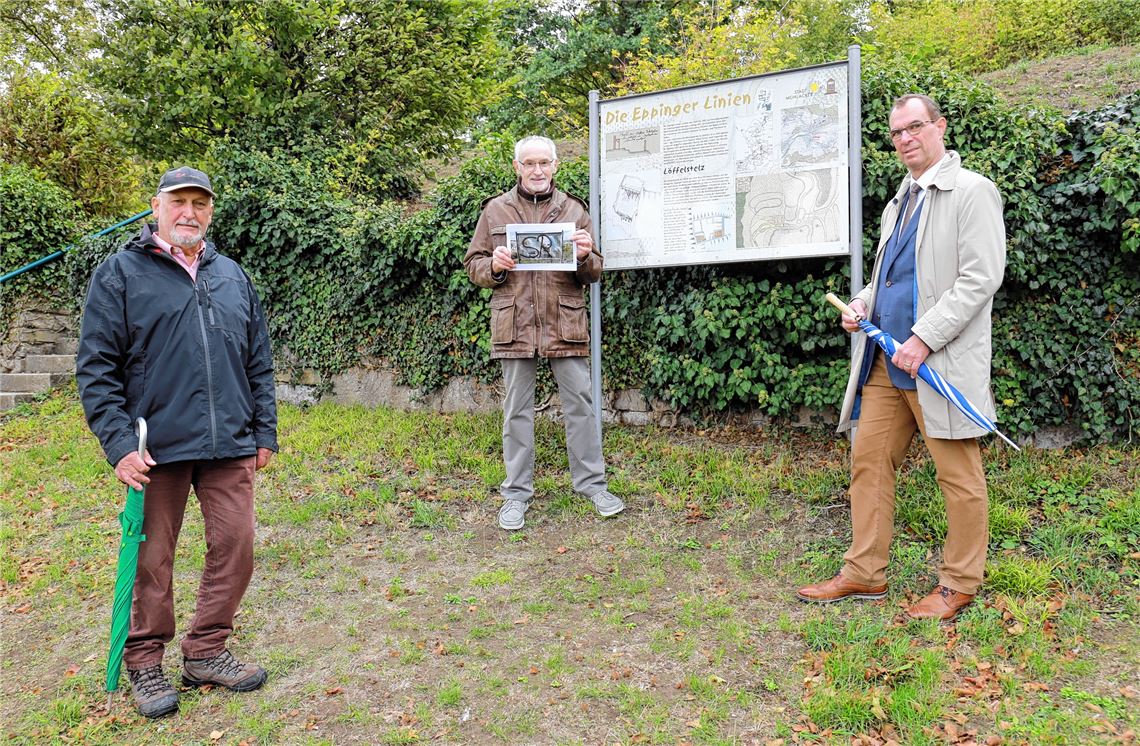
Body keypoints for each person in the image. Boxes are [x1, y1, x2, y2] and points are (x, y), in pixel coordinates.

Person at [77, 167, 278, 717]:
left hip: (230, 442)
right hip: (155, 447)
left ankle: (207, 651)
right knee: (153, 558)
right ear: (156, 207)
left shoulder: (232, 274)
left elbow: (257, 358)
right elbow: (96, 368)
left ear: (210, 211)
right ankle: (145, 660)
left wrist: (264, 430)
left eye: (199, 203)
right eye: (178, 202)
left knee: (236, 547)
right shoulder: (120, 273)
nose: (189, 212)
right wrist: (119, 443)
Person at [797, 95, 1006, 621]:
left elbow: (981, 278)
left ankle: (959, 583)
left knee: (958, 477)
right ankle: (865, 573)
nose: (906, 139)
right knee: (868, 464)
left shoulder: (973, 192)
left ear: (939, 127)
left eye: (915, 127)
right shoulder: (900, 200)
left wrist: (925, 338)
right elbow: (888, 273)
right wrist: (863, 302)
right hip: (886, 366)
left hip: (935, 364)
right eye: (897, 133)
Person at [464, 135, 624, 531]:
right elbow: (474, 265)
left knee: (581, 407)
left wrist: (586, 256)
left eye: (544, 163)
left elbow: (595, 271)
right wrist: (495, 265)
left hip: (564, 323)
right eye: (529, 163)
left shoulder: (573, 210)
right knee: (516, 411)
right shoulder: (495, 210)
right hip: (515, 323)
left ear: (555, 166)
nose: (537, 170)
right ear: (517, 167)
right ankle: (516, 494)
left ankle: (592, 485)